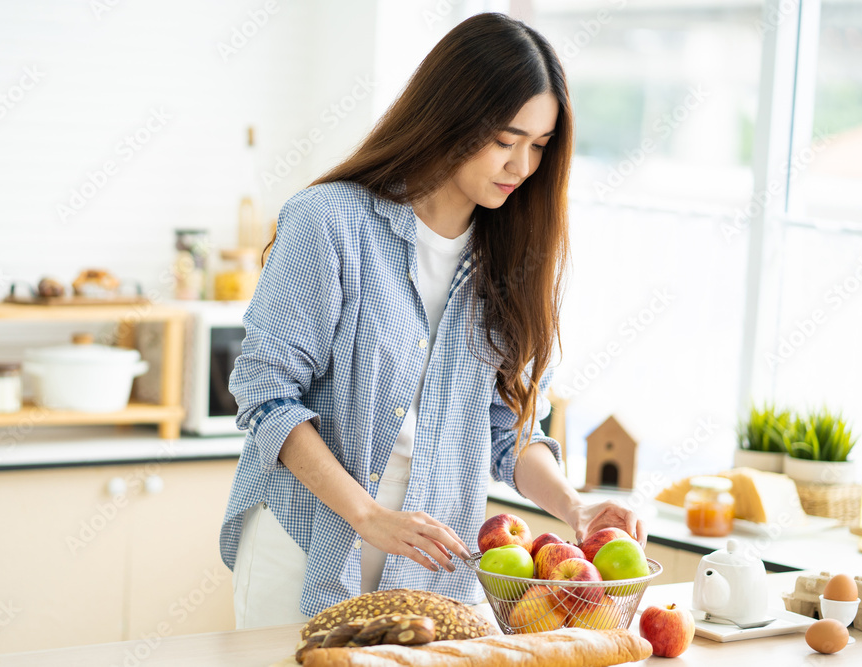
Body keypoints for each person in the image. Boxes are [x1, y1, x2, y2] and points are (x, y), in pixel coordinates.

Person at [220, 12, 647, 630]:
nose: (523, 166)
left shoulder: (515, 258)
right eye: (506, 140)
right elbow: (266, 397)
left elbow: (509, 429)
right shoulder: (329, 224)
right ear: (452, 116)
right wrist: (367, 515)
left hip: (432, 567)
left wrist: (574, 508)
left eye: (539, 145)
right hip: (308, 540)